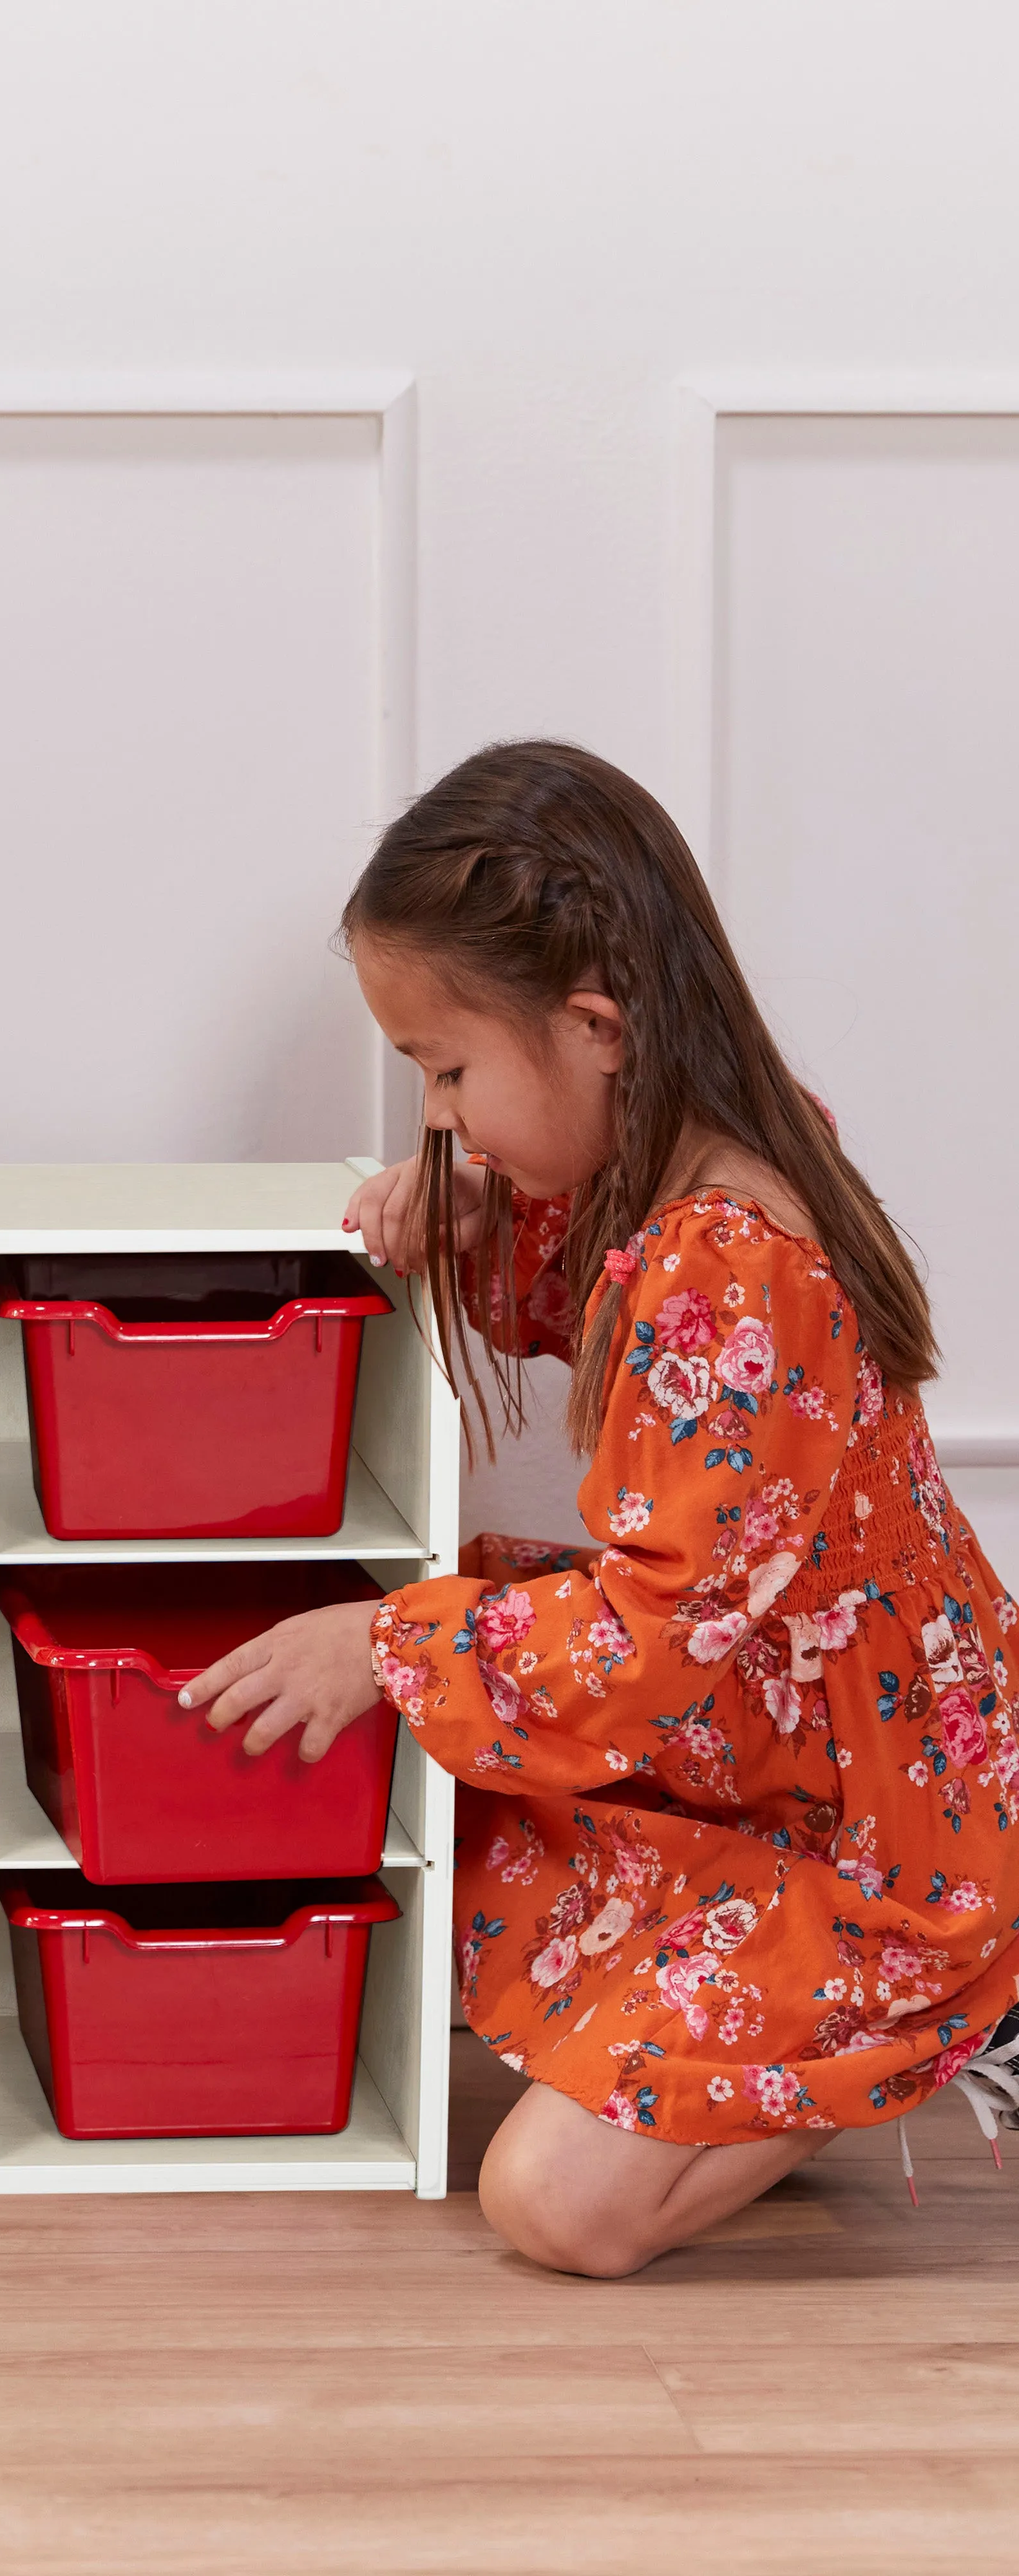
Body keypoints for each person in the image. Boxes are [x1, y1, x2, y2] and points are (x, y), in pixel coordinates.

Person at [180, 740, 1019, 2277]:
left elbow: (642, 1635)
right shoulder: (690, 1163)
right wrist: (469, 1217)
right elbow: (611, 1316)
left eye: (446, 1070)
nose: (436, 1113)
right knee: (483, 1734)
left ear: (592, 1028)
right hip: (789, 1721)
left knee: (553, 2206)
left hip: (880, 1820)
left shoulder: (739, 1256)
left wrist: (382, 1643)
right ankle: (816, 2003)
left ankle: (961, 1996)